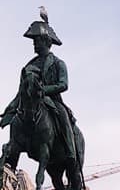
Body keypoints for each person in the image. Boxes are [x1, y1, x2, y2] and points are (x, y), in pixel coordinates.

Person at [1, 10, 79, 163]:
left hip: (52, 101)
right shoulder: (28, 66)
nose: (34, 44)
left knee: (63, 116)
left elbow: (64, 84)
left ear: (45, 42)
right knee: (17, 121)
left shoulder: (58, 63)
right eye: (34, 41)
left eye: (37, 41)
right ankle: (12, 157)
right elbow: (20, 93)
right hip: (31, 102)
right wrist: (8, 110)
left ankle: (71, 153)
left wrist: (44, 90)